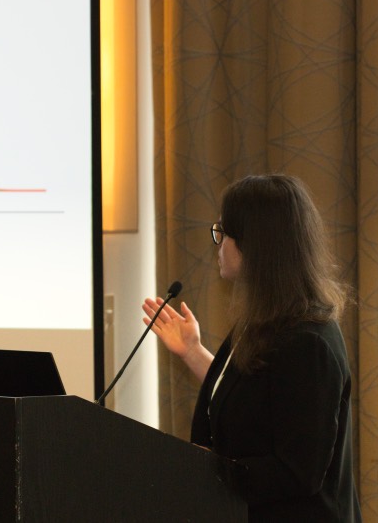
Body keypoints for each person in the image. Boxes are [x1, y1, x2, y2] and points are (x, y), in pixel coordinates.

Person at [143, 174, 361, 522]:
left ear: (254, 243)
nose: (218, 244)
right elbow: (255, 401)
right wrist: (193, 352)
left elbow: (298, 472)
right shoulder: (264, 321)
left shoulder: (309, 343)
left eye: (223, 232)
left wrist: (209, 470)